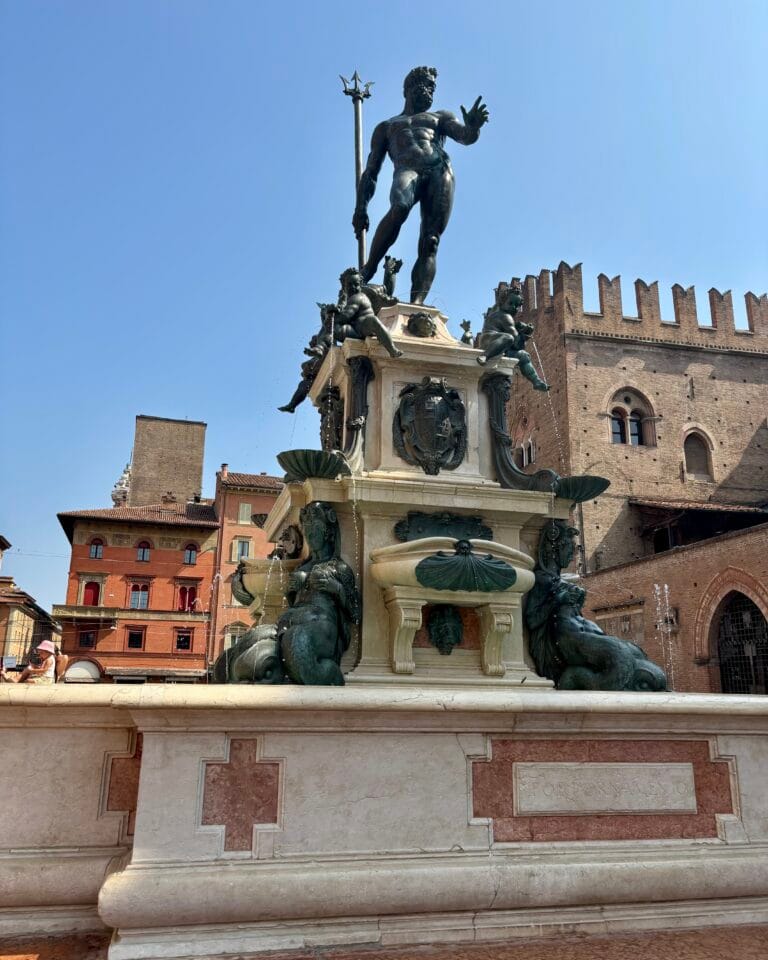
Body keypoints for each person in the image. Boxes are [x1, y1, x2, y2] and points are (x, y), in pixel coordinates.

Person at [353, 66, 488, 304]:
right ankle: (369, 269)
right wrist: (361, 207)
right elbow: (371, 171)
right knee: (399, 208)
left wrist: (474, 128)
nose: (429, 91)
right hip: (406, 170)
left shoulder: (440, 117)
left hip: (439, 170)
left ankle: (417, 304)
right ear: (408, 90)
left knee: (431, 239)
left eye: (432, 87)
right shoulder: (387, 127)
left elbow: (464, 136)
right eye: (424, 85)